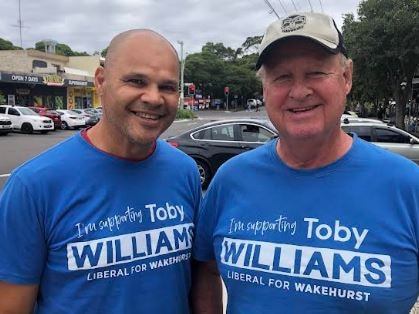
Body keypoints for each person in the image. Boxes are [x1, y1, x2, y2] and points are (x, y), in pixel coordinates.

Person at [191, 12, 419, 313]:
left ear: (347, 77)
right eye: (282, 77)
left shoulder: (408, 186)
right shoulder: (231, 179)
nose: (299, 92)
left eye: (315, 72)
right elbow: (206, 270)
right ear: (265, 90)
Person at [0, 29, 201, 313]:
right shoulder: (33, 185)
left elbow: (196, 281)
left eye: (167, 87)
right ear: (101, 82)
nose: (154, 98)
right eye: (136, 81)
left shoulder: (184, 171)